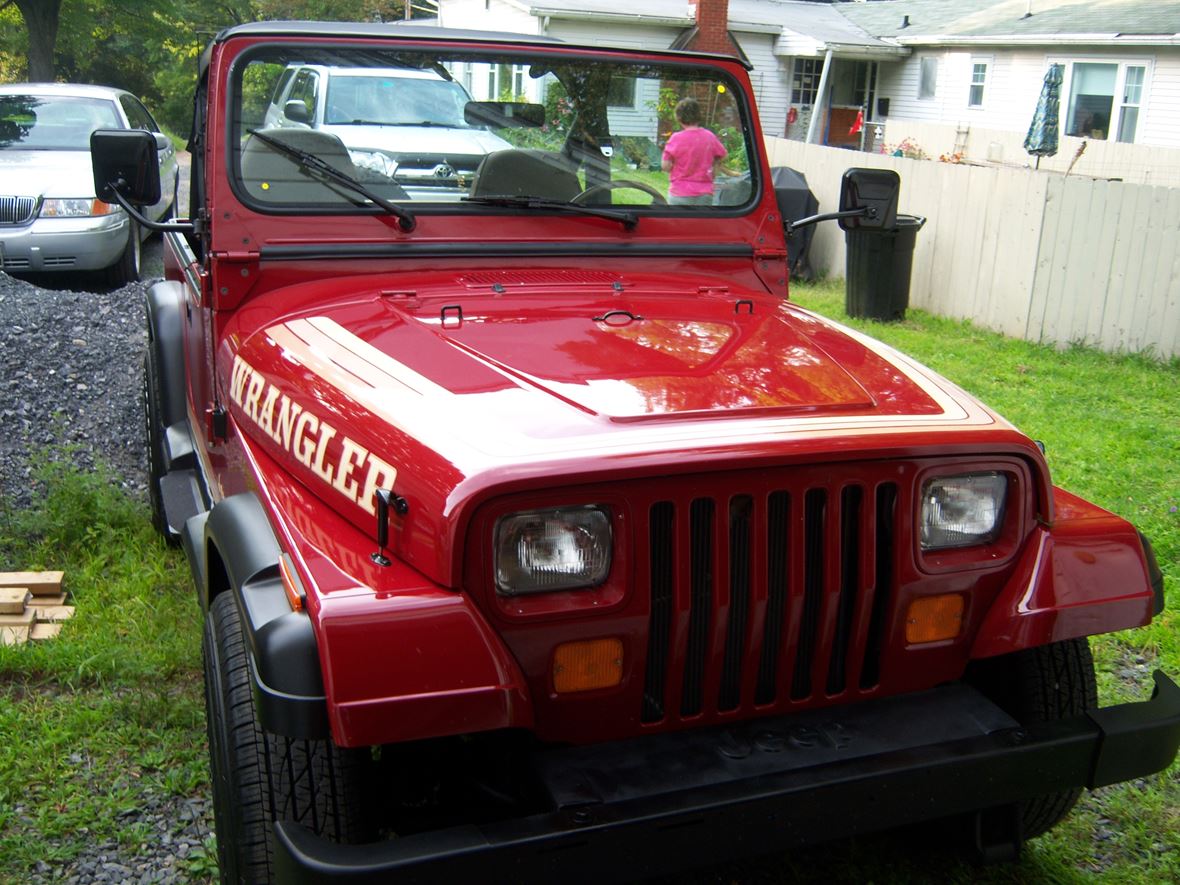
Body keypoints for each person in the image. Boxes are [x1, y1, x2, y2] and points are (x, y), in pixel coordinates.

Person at [661, 97, 727, 206]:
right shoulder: (709, 136)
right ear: (698, 116)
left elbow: (665, 166)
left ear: (678, 117)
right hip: (705, 194)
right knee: (701, 223)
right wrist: (714, 164)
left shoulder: (676, 138)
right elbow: (723, 155)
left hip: (680, 193)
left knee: (677, 222)